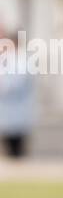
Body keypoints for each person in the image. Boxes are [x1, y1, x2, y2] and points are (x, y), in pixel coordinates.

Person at [0, 27, 36, 158]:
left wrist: (5, 87)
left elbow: (18, 82)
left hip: (18, 109)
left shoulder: (23, 59)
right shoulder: (6, 57)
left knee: (17, 145)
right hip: (7, 110)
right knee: (9, 143)